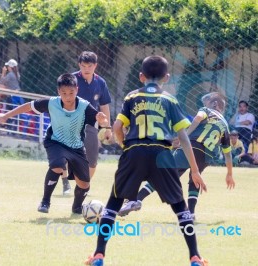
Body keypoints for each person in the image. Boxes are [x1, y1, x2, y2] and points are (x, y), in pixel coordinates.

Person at [85, 56, 208, 266]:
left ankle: (98, 255)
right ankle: (195, 257)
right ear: (166, 78)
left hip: (134, 151)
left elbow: (116, 128)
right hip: (162, 153)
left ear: (141, 77)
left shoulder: (132, 97)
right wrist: (194, 171)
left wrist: (126, 146)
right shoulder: (170, 100)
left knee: (114, 203)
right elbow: (184, 138)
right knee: (180, 206)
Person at [0, 73, 110, 214]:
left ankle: (77, 207)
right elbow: (28, 106)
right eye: (64, 93)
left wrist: (102, 122)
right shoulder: (51, 103)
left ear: (77, 90)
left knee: (84, 184)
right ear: (59, 92)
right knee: (57, 166)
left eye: (71, 93)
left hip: (76, 147)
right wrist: (5, 116)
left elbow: (99, 121)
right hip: (55, 142)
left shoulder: (84, 106)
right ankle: (45, 201)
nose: (68, 97)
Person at [118, 94, 235, 220]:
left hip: (192, 147)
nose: (204, 105)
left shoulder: (207, 111)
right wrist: (229, 174)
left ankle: (136, 199)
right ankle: (190, 212)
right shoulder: (225, 126)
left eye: (206, 102)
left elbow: (197, 119)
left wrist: (184, 137)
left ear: (215, 104)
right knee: (194, 179)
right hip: (206, 157)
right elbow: (227, 153)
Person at [62, 51, 112, 195]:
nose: (86, 69)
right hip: (70, 120)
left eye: (89, 66)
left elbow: (104, 106)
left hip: (91, 124)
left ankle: (84, 185)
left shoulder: (101, 82)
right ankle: (65, 183)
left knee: (92, 158)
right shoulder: (71, 80)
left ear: (95, 66)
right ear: (79, 65)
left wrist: (107, 127)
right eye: (83, 66)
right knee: (65, 154)